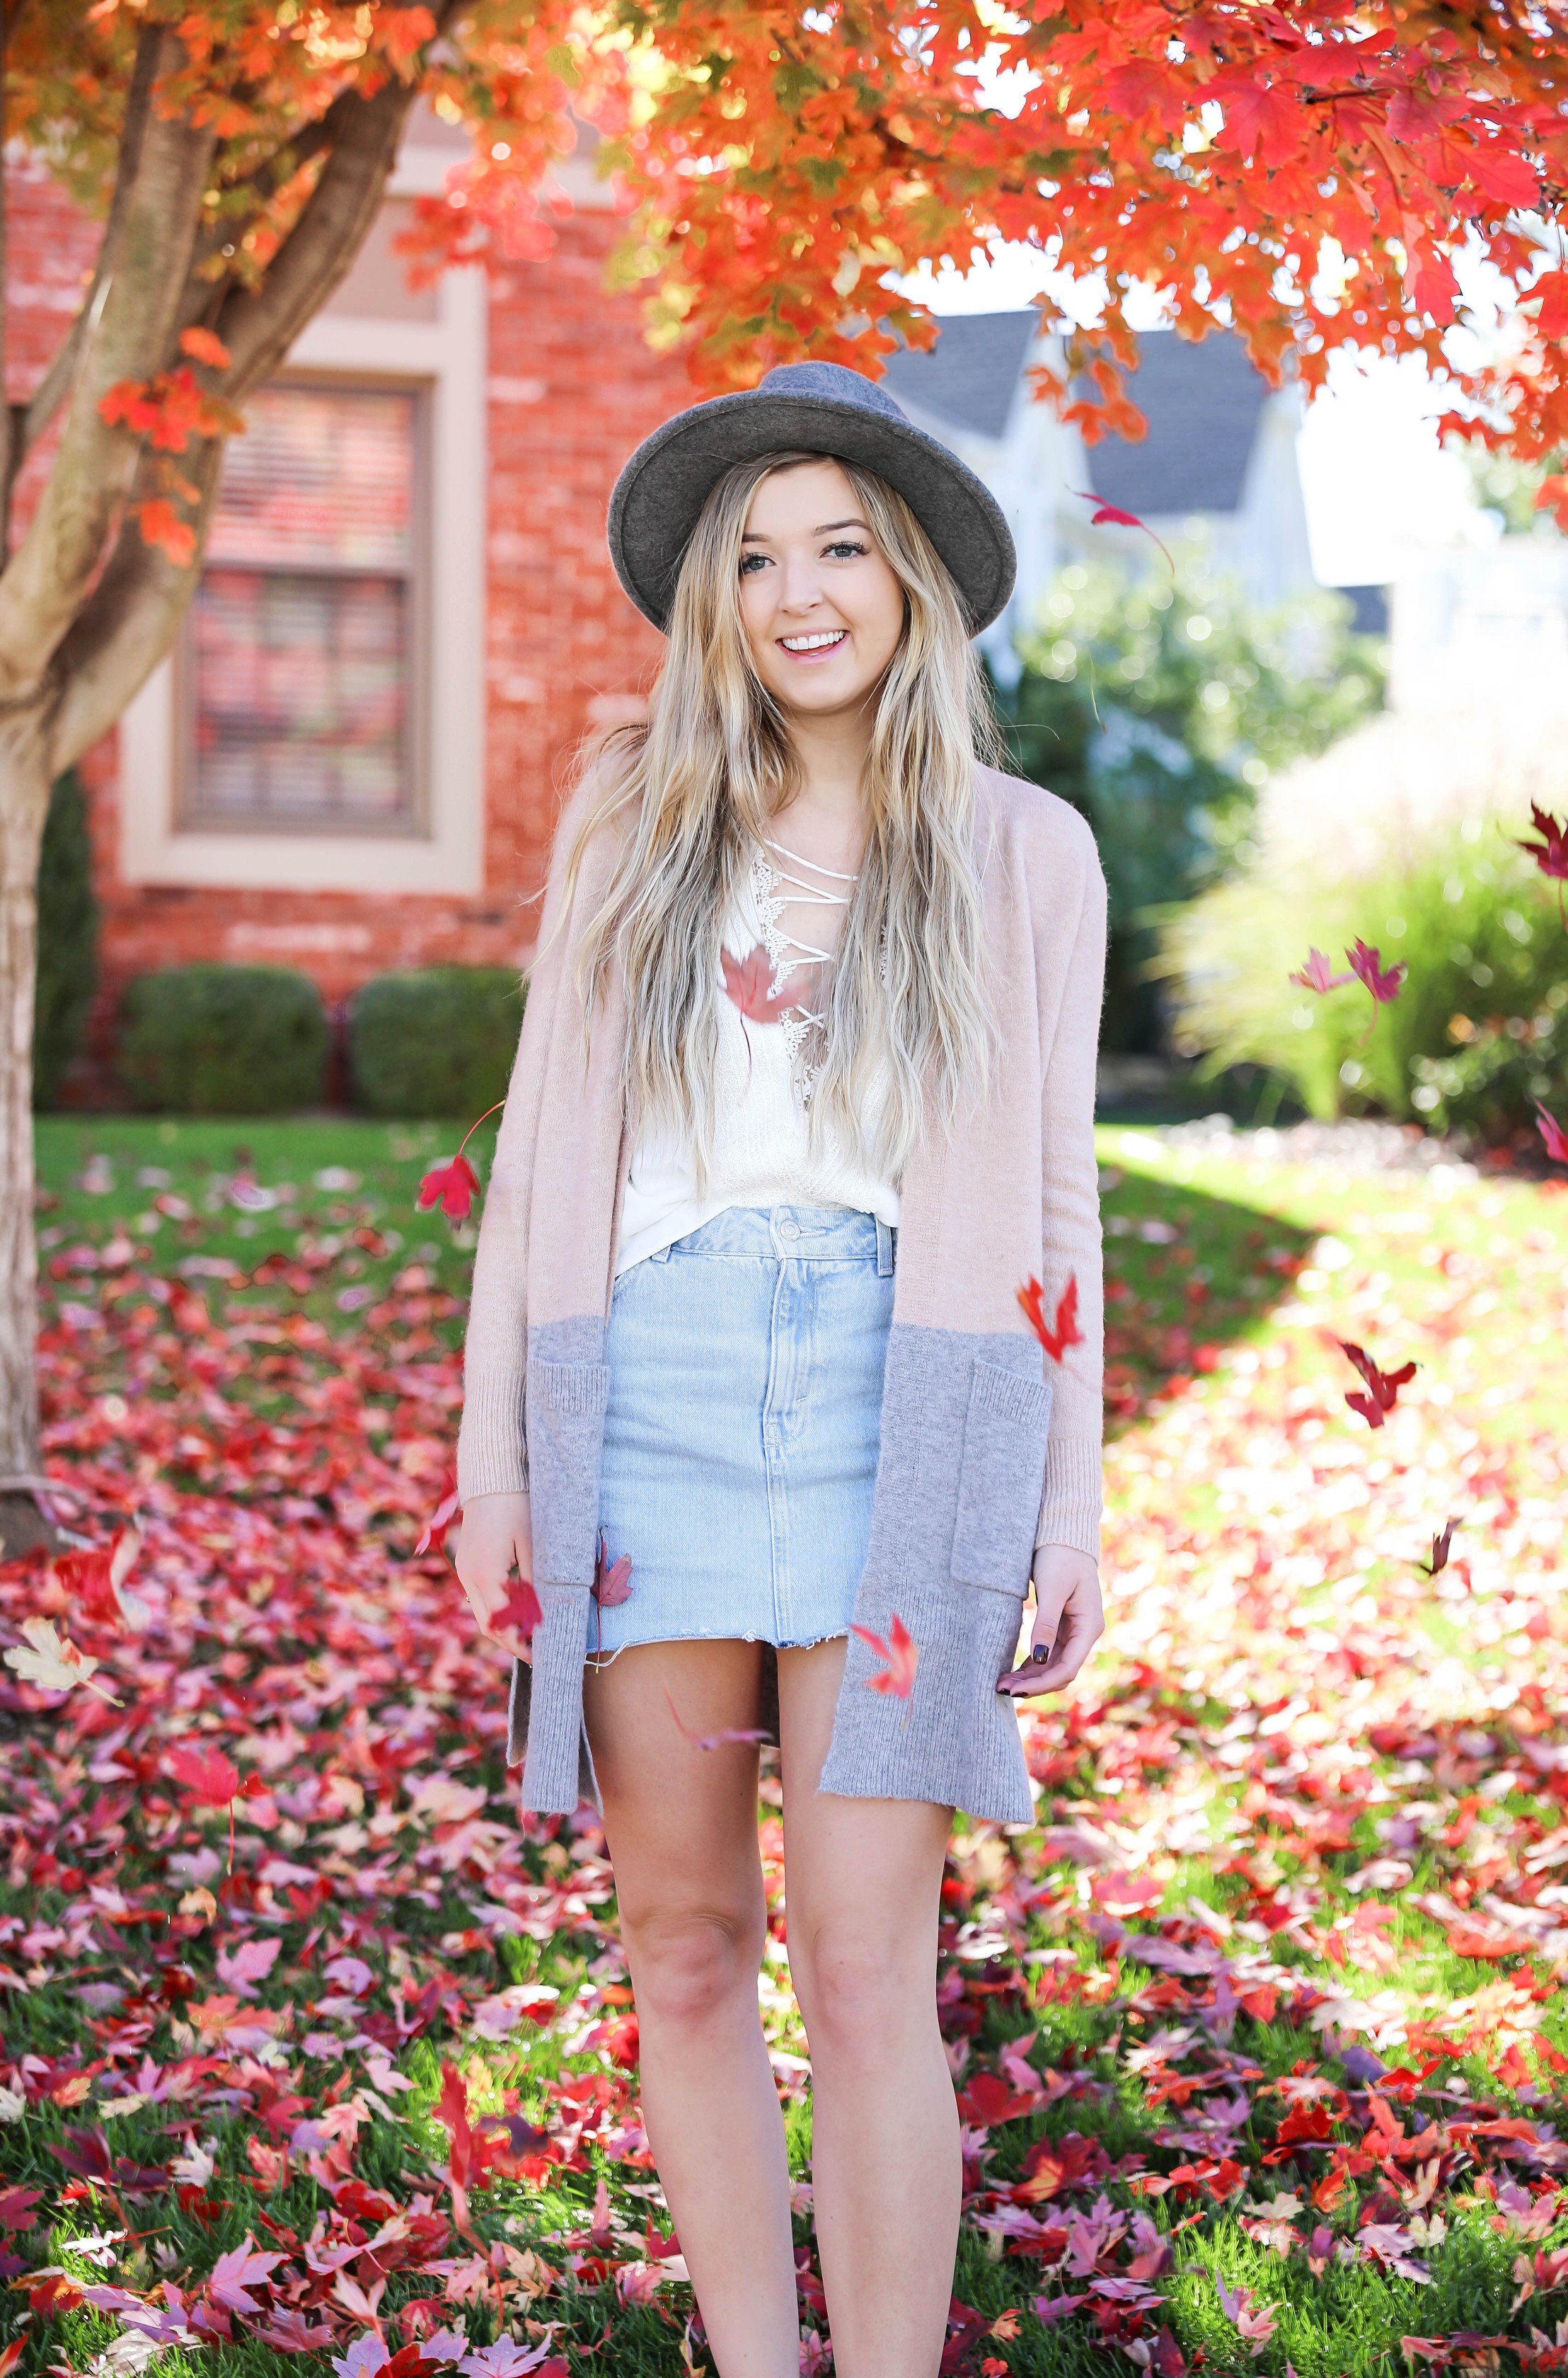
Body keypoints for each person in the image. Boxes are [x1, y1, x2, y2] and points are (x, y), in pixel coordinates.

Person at [454, 361, 1107, 2378]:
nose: (797, 591)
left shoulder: (1020, 854)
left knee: (865, 1961)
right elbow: (536, 1152)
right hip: (640, 1393)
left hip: (899, 1420)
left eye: (837, 546)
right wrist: (497, 1458)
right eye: (754, 556)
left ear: (907, 577)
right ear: (710, 602)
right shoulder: (625, 824)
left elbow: (1062, 1205)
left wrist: (1070, 1500)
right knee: (683, 1944)